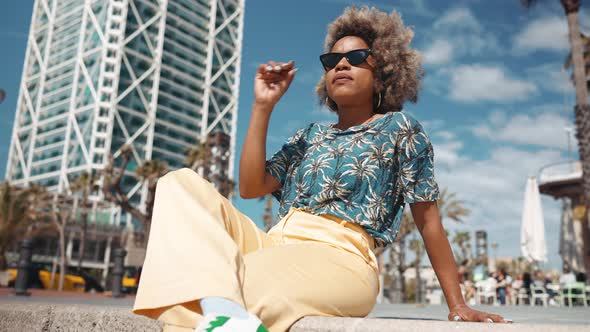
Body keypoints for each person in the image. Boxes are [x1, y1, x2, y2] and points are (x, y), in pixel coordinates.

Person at [132, 6, 509, 331]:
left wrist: (457, 304)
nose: (341, 64)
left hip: (341, 258)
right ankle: (225, 314)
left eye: (357, 58)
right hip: (274, 242)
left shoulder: (400, 129)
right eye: (332, 61)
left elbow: (429, 223)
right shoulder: (309, 135)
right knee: (178, 183)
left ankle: (222, 310)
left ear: (384, 74)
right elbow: (250, 188)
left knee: (226, 283)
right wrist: (263, 106)